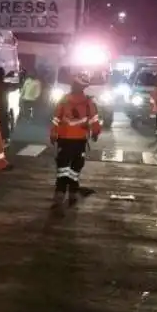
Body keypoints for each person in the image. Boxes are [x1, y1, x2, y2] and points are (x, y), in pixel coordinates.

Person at [49, 71, 101, 209]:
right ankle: (72, 192)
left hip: (64, 139)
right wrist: (95, 133)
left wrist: (53, 134)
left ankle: (60, 194)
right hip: (79, 140)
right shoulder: (89, 102)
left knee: (63, 167)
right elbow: (95, 120)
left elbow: (56, 119)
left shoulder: (64, 99)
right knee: (75, 168)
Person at [0, 67, 11, 142]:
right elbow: (16, 86)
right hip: (2, 108)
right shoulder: (4, 85)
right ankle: (4, 138)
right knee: (3, 123)